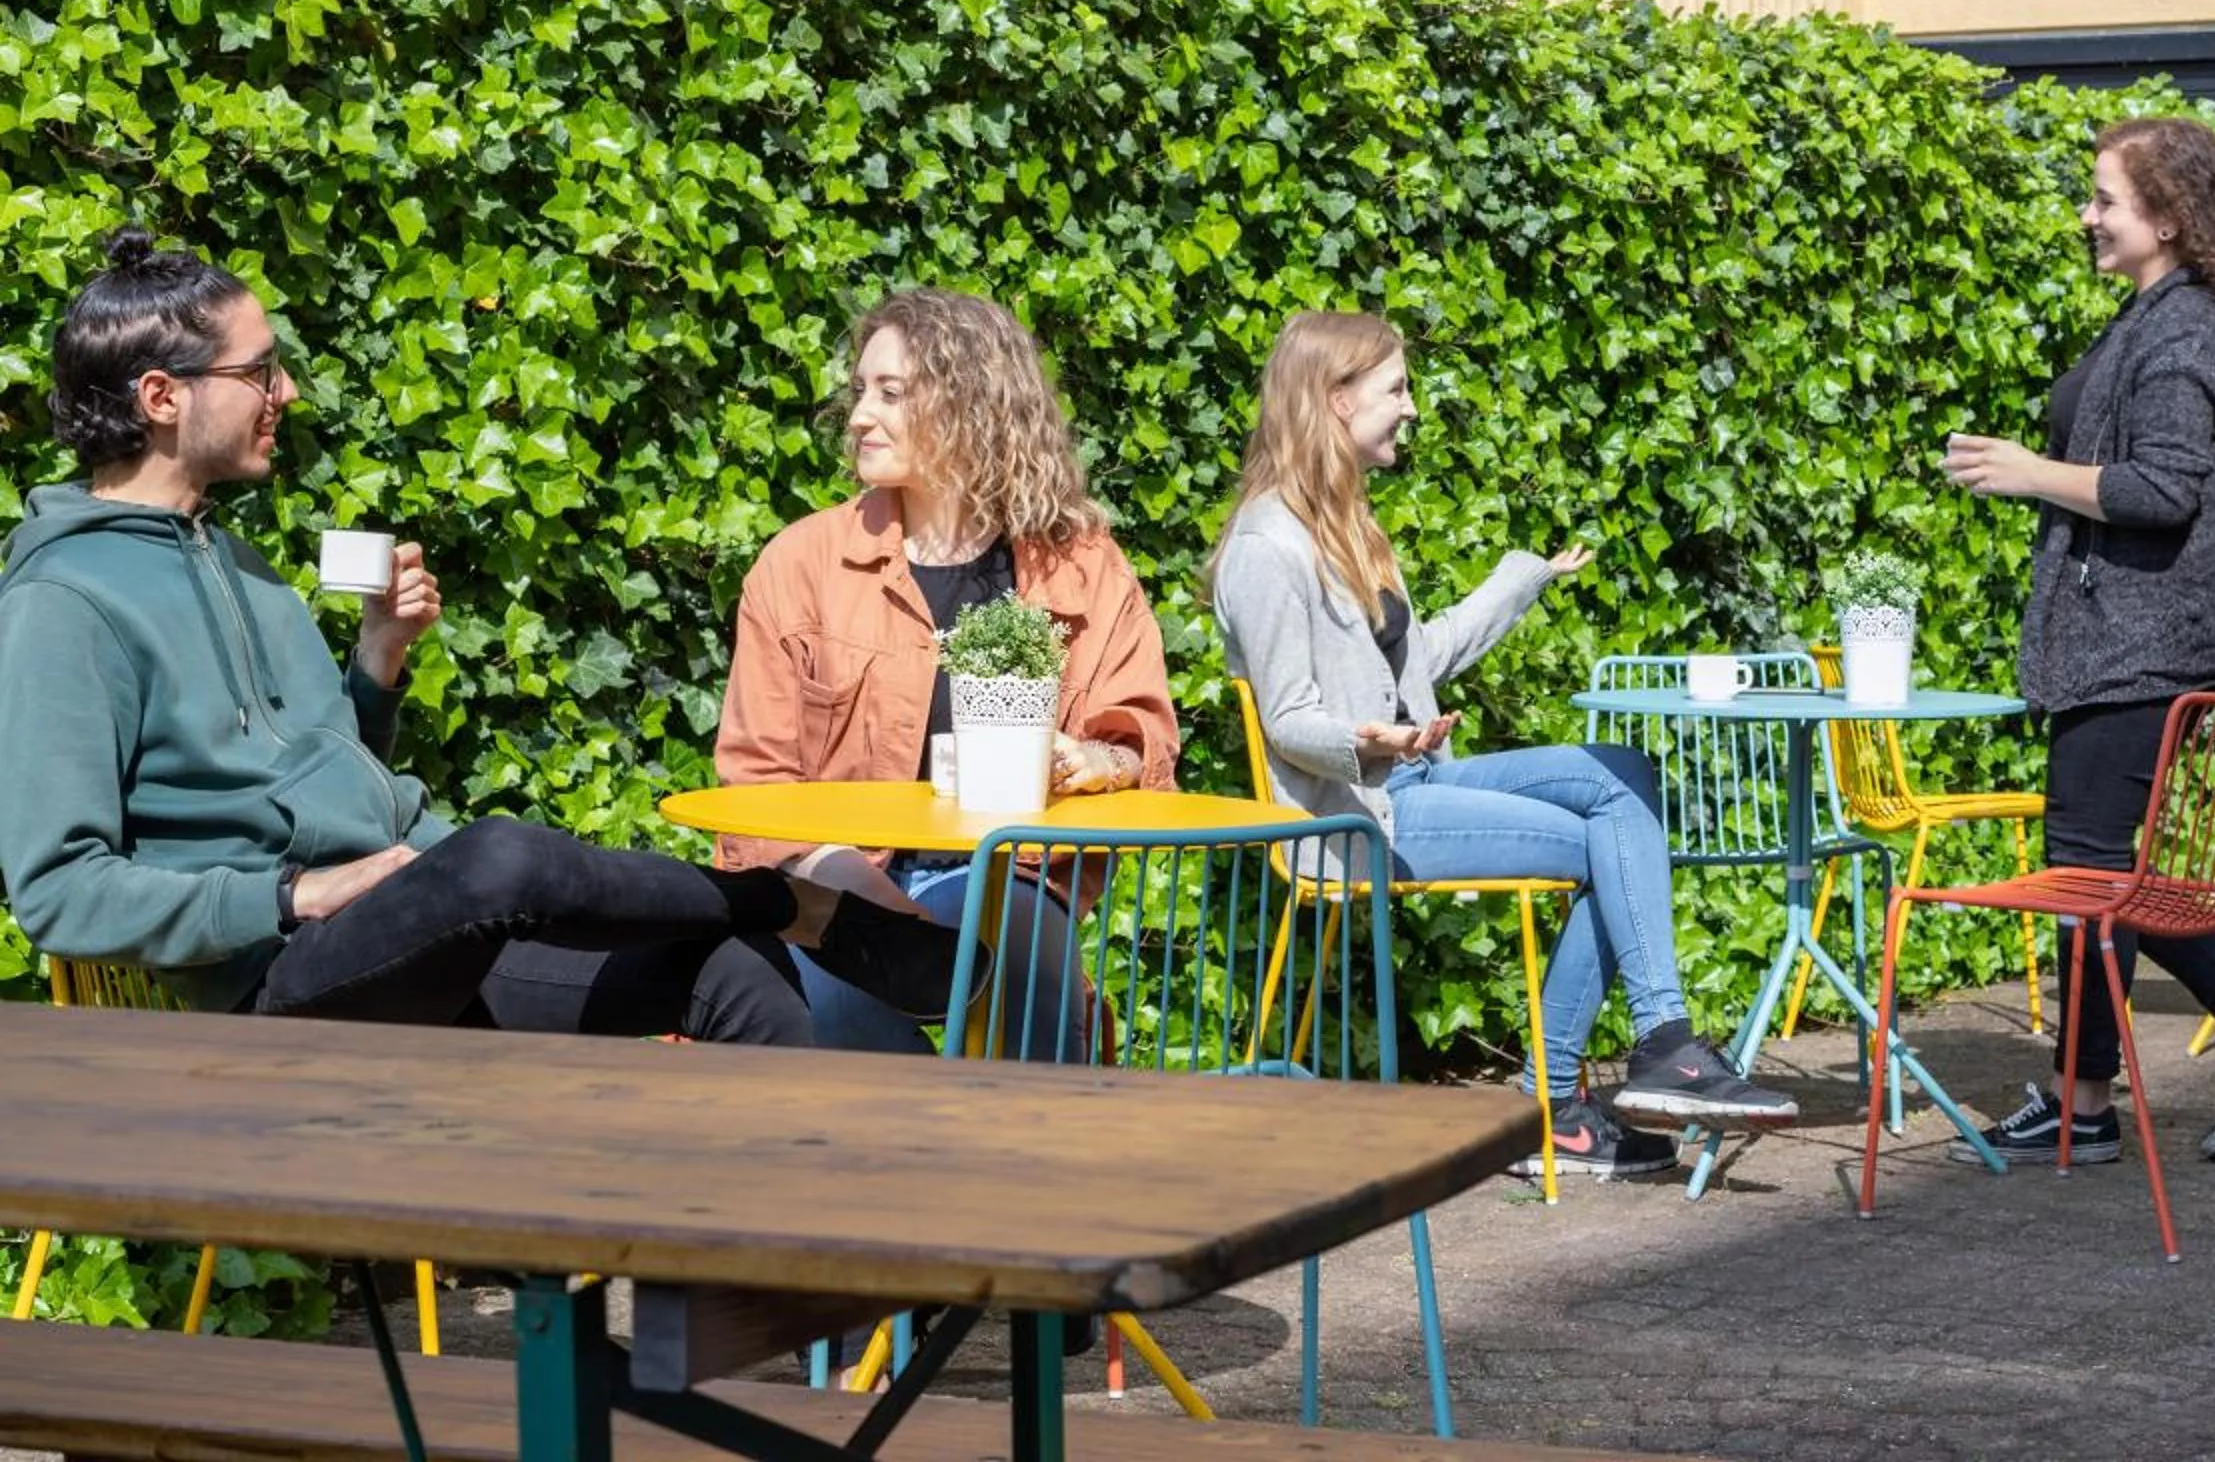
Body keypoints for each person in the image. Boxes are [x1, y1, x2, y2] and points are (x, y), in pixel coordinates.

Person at [0, 229, 971, 1041]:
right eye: (257, 371)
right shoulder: (67, 599)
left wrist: (376, 664)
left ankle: (797, 1264)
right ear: (163, 396)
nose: (285, 391)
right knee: (496, 856)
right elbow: (58, 892)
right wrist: (292, 895)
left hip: (412, 941)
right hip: (271, 987)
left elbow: (319, 778)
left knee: (730, 970)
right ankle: (793, 899)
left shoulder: (247, 571)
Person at [1209, 310, 1795, 1179]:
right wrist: (1371, 742)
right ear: (1334, 401)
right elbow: (1290, 719)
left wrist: (1525, 579)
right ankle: (1577, 1090)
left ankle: (1623, 1065)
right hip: (1356, 813)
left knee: (1624, 779)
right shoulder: (1268, 544)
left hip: (1409, 780)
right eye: (1396, 388)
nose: (1411, 407)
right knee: (1608, 841)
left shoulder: (1349, 523)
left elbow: (1423, 659)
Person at [1942, 115, 2215, 1165]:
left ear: (2167, 215)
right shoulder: (2155, 319)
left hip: (2142, 652)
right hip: (2126, 647)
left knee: (2095, 880)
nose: (2087, 214)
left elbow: (2162, 488)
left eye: (2105, 198)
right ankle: (2092, 1096)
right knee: (2104, 881)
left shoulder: (2182, 331)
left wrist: (2029, 470)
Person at [714, 286, 1180, 1052]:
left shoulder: (1082, 567)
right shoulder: (800, 565)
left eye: (891, 393)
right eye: (861, 390)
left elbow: (1144, 743)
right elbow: (754, 781)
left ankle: (1025, 1147)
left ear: (973, 403)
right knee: (838, 1008)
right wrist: (841, 874)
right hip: (829, 886)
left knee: (1005, 933)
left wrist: (1092, 759)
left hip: (1010, 877)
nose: (860, 414)